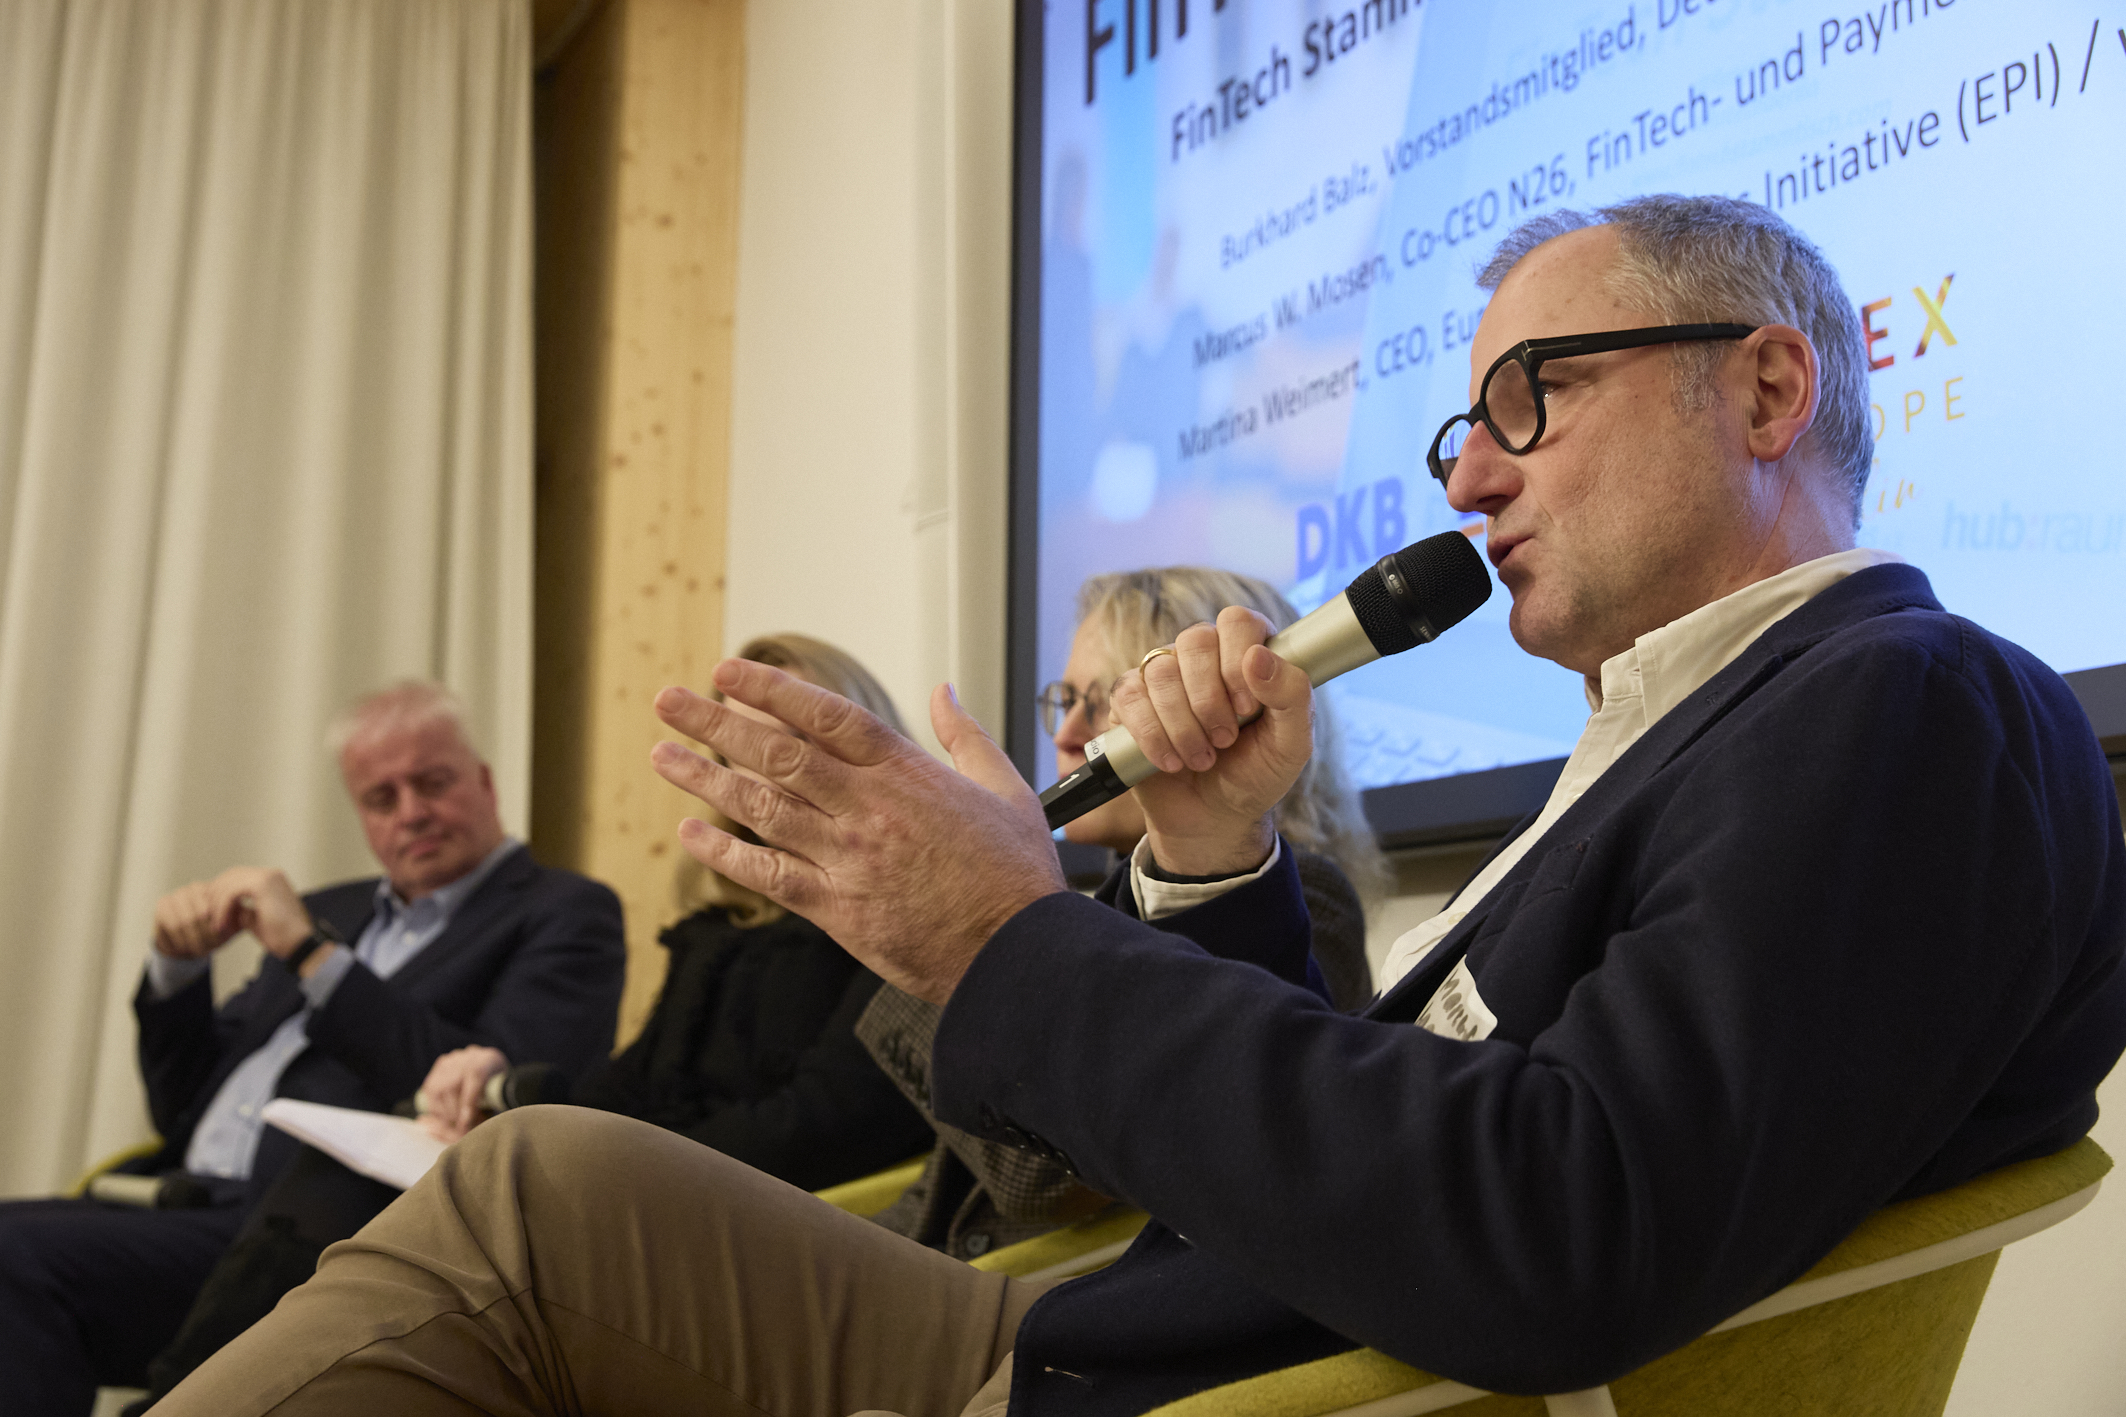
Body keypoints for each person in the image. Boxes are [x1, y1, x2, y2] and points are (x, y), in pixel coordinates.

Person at [162, 195, 2125, 1417]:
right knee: (539, 1190)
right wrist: (1214, 854)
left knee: (527, 1220)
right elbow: (1379, 1137)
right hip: (1168, 1326)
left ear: (1769, 391)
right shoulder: (1714, 733)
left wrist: (1002, 930)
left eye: (1536, 397)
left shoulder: (1904, 702)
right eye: (1462, 425)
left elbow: (1554, 1227)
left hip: (1201, 1385)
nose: (1469, 478)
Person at [0, 681, 625, 1417]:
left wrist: (310, 954)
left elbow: (504, 1093)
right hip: (181, 1201)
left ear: (485, 784)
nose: (411, 812)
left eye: (432, 783)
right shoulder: (333, 907)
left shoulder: (564, 912)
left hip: (315, 1237)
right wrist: (177, 969)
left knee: (13, 1261)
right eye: (381, 798)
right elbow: (185, 1106)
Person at [858, 568, 1383, 1260]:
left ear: (1227, 716)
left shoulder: (1303, 899)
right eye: (1066, 700)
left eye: (1106, 703)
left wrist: (957, 926)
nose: (1068, 734)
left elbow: (1040, 1181)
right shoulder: (1099, 893)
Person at [414, 634, 933, 1192]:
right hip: (665, 1192)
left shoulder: (904, 914)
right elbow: (629, 1090)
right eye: (741, 748)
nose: (763, 772)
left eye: (792, 742)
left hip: (773, 1214)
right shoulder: (719, 929)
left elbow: (833, 1124)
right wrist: (505, 1100)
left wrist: (617, 1169)